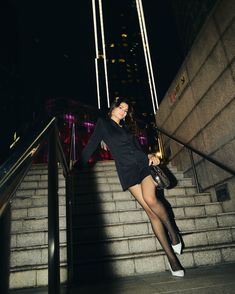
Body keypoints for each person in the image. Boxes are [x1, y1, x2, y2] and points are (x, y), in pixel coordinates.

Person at [77, 97, 184, 277]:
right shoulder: (103, 124)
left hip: (143, 165)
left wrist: (151, 154)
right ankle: (172, 259)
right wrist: (78, 166)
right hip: (127, 171)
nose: (123, 112)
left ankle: (173, 233)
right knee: (150, 212)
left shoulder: (126, 129)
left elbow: (139, 148)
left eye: (126, 110)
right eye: (121, 108)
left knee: (151, 199)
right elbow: (91, 145)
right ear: (113, 108)